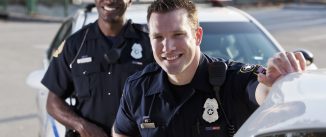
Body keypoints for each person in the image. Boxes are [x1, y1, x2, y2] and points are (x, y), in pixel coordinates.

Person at [112, 0, 306, 137]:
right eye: (158, 37)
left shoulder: (233, 80)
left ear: (197, 36)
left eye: (178, 34)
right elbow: (121, 131)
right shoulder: (138, 88)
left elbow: (262, 90)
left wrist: (275, 82)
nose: (167, 47)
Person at [41, 0, 154, 136]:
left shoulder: (150, 43)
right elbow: (52, 102)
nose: (110, 1)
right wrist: (82, 126)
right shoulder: (75, 45)